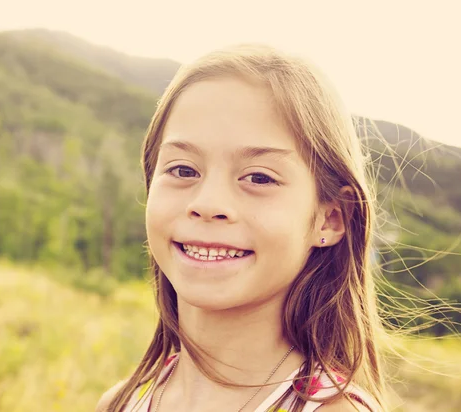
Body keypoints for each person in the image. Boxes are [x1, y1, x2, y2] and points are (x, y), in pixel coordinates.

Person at [96, 43, 386, 412]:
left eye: (259, 178)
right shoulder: (121, 403)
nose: (207, 204)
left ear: (330, 218)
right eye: (183, 170)